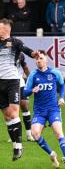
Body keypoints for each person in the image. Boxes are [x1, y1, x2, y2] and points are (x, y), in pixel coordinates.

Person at [23, 50, 65, 168]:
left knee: (58, 133)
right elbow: (25, 92)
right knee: (35, 134)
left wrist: (62, 98)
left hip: (53, 109)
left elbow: (62, 85)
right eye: (37, 59)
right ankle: (52, 154)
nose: (38, 60)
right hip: (39, 111)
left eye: (41, 58)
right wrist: (31, 90)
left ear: (46, 59)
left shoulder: (55, 73)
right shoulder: (33, 75)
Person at [0, 18, 39, 161]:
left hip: (12, 82)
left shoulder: (15, 42)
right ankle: (16, 146)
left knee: (14, 112)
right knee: (7, 116)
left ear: (6, 29)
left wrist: (34, 54)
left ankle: (19, 146)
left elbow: (26, 50)